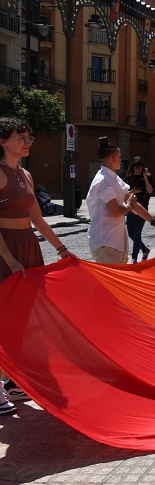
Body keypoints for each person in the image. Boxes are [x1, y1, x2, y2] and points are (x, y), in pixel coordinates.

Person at [0, 117, 76, 415]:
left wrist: (61, 248)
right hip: (5, 248)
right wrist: (8, 258)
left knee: (25, 317)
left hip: (28, 246)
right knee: (3, 316)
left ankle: (13, 381)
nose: (27, 141)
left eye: (28, 136)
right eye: (21, 137)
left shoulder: (26, 175)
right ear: (3, 141)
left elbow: (38, 220)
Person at [87, 136, 155, 262]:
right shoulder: (104, 180)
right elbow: (117, 211)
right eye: (120, 156)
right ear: (114, 158)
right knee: (110, 282)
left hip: (117, 242)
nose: (121, 159)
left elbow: (134, 202)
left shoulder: (114, 179)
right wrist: (129, 205)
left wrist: (154, 221)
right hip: (106, 243)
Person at [124, 157, 155, 263]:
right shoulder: (129, 177)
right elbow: (125, 193)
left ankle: (134, 257)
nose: (138, 169)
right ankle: (145, 249)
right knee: (131, 234)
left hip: (143, 207)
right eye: (136, 167)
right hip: (130, 208)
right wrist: (132, 192)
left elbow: (150, 190)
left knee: (137, 233)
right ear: (133, 167)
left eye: (140, 167)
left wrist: (145, 176)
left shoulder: (147, 177)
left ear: (143, 168)